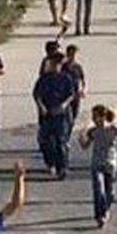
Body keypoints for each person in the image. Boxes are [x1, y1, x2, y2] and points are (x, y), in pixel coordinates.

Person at [32, 52, 76, 180]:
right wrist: (41, 106)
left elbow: (71, 94)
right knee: (45, 140)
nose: (54, 66)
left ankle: (62, 167)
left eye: (57, 64)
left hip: (60, 114)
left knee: (60, 141)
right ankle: (50, 163)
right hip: (47, 114)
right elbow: (36, 94)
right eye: (52, 63)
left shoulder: (66, 78)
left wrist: (64, 105)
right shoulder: (44, 79)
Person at [62, 44, 87, 128]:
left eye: (74, 54)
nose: (73, 56)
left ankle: (69, 129)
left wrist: (83, 90)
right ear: (67, 54)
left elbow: (83, 80)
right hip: (65, 94)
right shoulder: (62, 67)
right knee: (67, 115)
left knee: (74, 114)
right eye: (71, 54)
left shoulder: (78, 67)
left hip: (76, 94)